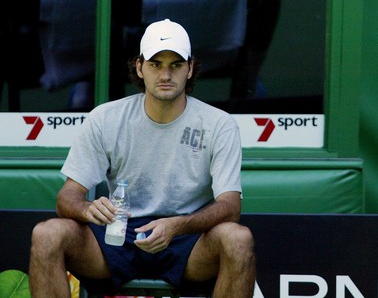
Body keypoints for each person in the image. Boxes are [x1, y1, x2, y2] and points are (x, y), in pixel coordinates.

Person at [28, 19, 256, 298]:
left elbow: (231, 207)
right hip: (117, 236)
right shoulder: (105, 117)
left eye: (176, 65)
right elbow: (67, 198)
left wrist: (178, 225)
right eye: (155, 64)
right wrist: (87, 209)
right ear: (139, 67)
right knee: (47, 234)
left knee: (238, 239)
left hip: (188, 240)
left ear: (190, 69)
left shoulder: (219, 124)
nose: (165, 74)